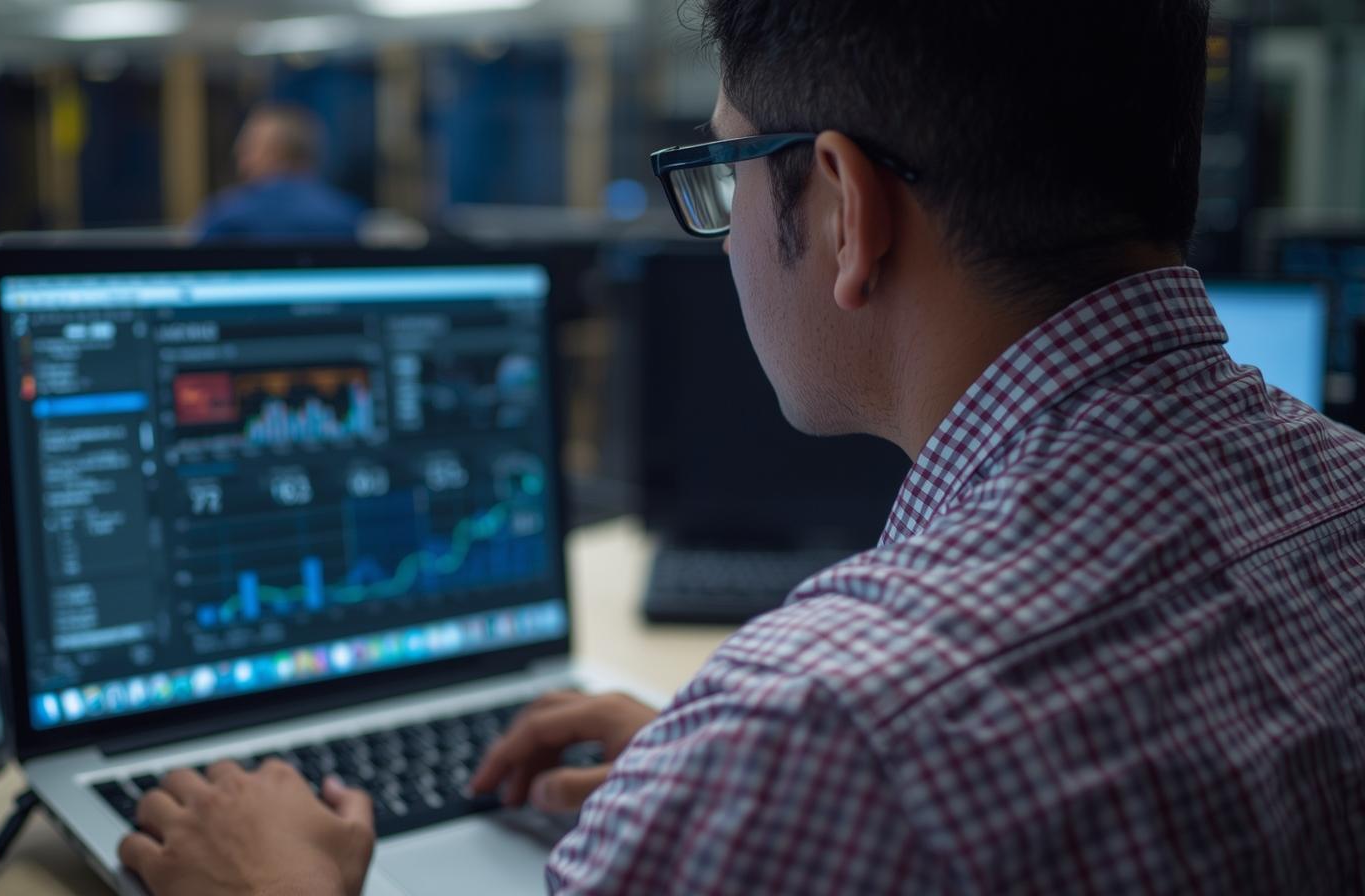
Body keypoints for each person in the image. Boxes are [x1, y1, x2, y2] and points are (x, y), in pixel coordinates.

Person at [119, 1, 1365, 893]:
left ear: (842, 206)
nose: (717, 239)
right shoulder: (1344, 497)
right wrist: (719, 807)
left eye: (721, 173)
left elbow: (872, 748)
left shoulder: (818, 728)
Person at [192, 103, 363, 242]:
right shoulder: (345, 214)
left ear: (276, 152)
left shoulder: (228, 216)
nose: (239, 157)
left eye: (248, 149)